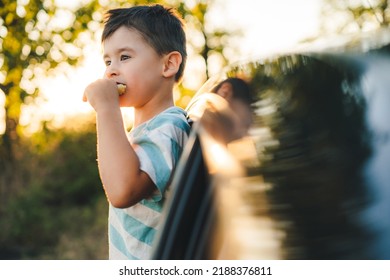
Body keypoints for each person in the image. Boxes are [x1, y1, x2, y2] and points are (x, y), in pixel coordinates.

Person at [82, 4, 191, 260]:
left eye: (125, 57)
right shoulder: (142, 132)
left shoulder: (170, 126)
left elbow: (122, 190)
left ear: (169, 64)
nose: (111, 69)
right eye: (107, 60)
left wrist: (107, 109)